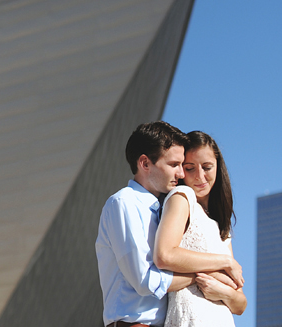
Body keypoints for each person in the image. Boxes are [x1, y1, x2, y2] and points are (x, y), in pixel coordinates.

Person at [96, 122, 241, 327]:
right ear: (145, 163)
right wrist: (208, 273)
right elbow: (146, 281)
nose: (181, 174)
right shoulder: (124, 203)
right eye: (174, 165)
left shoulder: (161, 210)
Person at [154, 131, 247, 326]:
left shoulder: (220, 223)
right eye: (190, 168)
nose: (200, 176)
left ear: (218, 166)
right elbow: (165, 255)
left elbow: (240, 304)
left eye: (207, 167)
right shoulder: (182, 196)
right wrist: (225, 263)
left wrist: (223, 292)